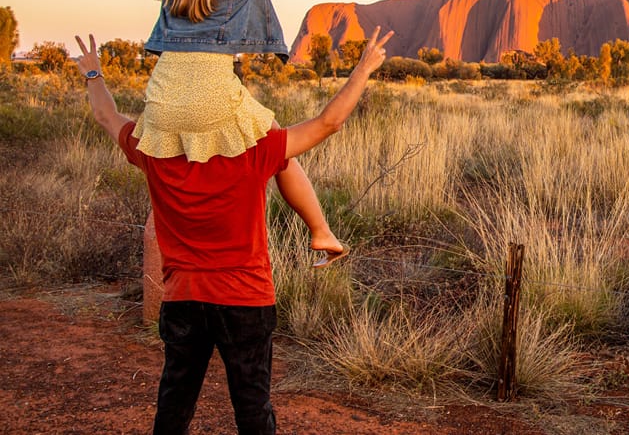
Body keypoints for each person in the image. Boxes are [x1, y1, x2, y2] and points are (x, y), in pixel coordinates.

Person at [76, 27, 393, 435]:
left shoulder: (148, 150)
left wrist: (93, 74)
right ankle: (322, 231)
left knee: (174, 405)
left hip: (183, 299)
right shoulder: (254, 150)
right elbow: (328, 123)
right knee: (252, 409)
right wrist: (364, 68)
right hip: (245, 299)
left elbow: (105, 115)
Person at [139, 0, 344, 265]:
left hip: (161, 93)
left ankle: (186, 255)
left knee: (185, 172)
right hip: (211, 86)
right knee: (279, 153)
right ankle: (321, 232)